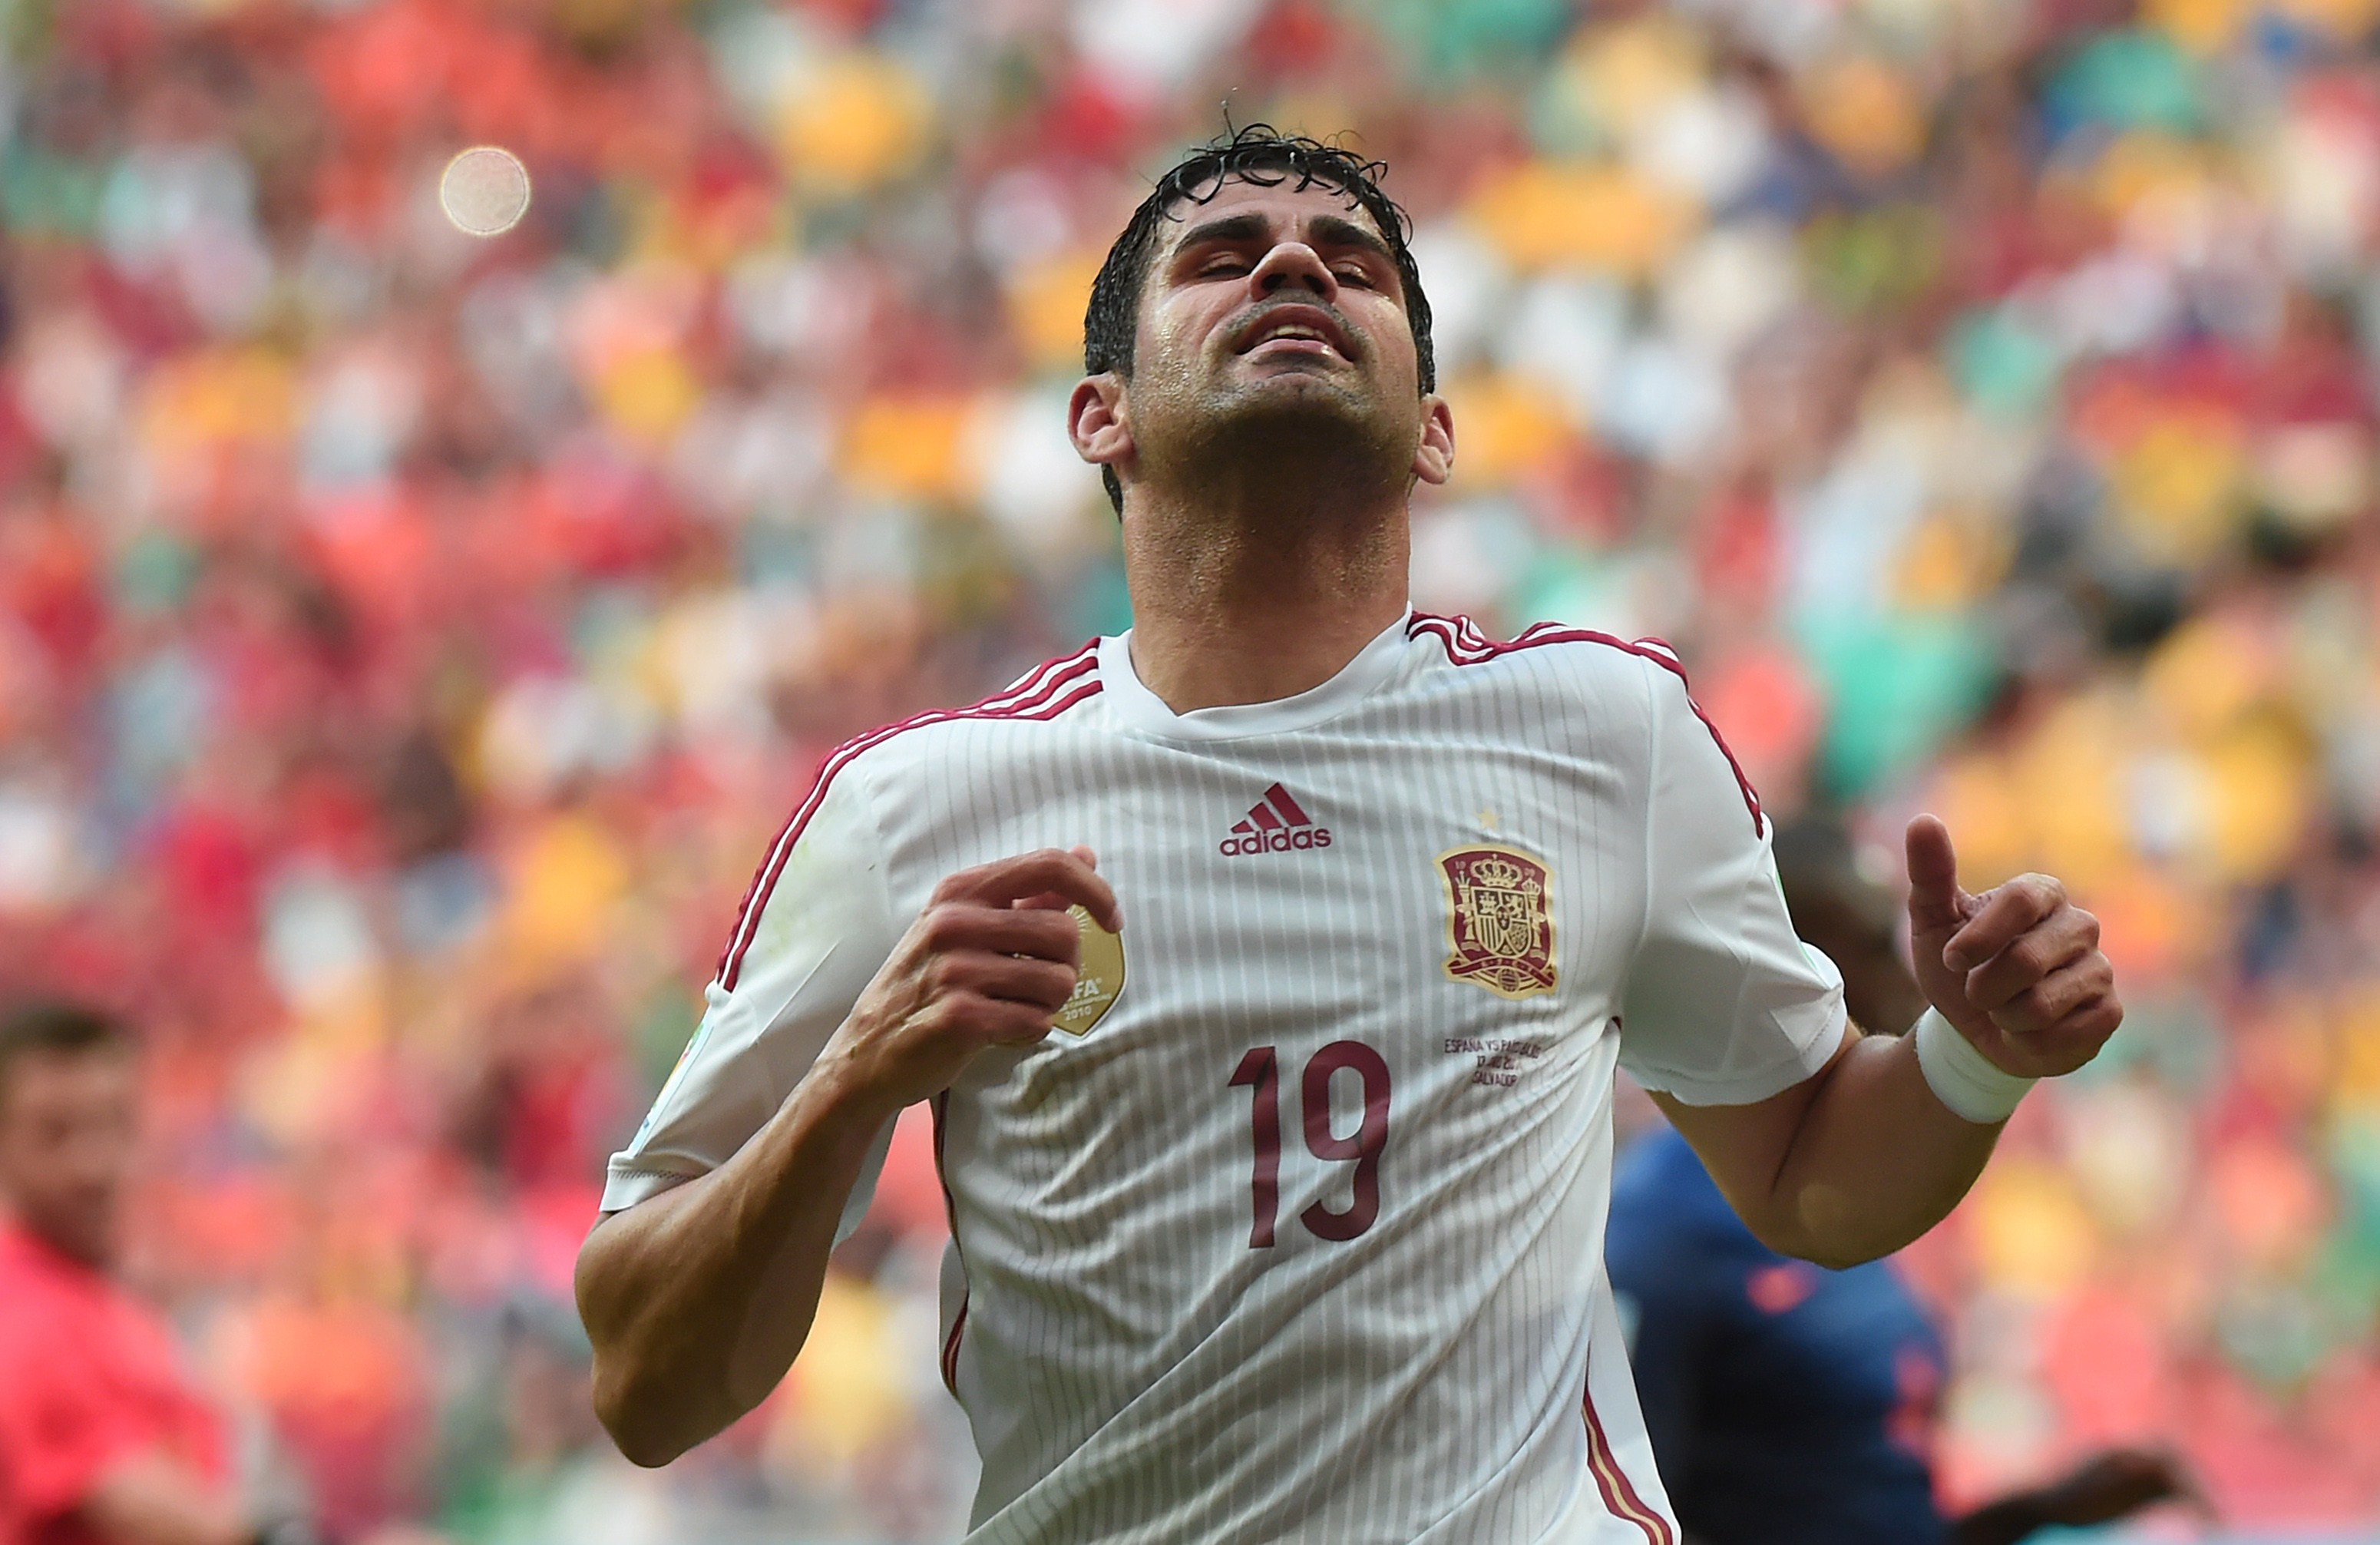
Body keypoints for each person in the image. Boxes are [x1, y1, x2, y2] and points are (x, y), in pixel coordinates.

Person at [574, 126, 2124, 1543]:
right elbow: (648, 1384)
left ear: (1435, 430)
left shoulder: (1603, 732)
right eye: (1218, 253)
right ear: (1098, 416)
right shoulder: (914, 806)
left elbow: (1807, 1177)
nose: (1293, 263)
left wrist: (1970, 1056)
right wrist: (851, 1079)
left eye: (1353, 261)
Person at [1607, 819, 2196, 1545]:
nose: (1905, 967)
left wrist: (2040, 1511)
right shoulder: (1660, 1229)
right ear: (1777, 965)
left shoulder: (1860, 1194)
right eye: (1864, 938)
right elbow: (1625, 1522)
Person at [0, 1001, 303, 1545]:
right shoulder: (24, 1318)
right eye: (55, 1132)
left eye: (113, 1124)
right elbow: (174, 1524)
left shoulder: (99, 1302)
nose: (92, 1163)